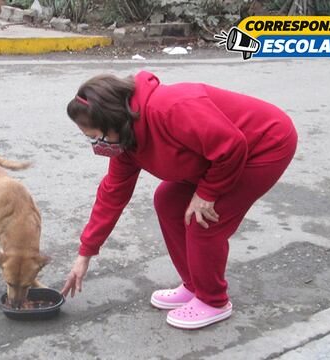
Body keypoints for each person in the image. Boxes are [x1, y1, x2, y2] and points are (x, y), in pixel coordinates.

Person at [60, 71, 297, 329]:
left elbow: (231, 146)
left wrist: (206, 194)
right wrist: (85, 254)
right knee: (168, 201)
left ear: (113, 120)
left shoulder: (170, 108)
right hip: (216, 157)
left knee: (203, 221)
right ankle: (195, 286)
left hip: (264, 145)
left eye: (97, 136)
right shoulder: (126, 141)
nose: (96, 143)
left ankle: (214, 301)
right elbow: (112, 195)